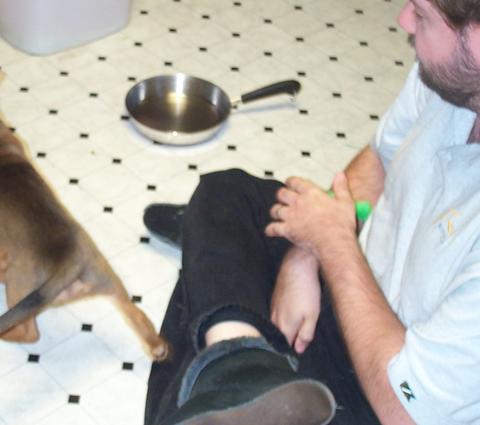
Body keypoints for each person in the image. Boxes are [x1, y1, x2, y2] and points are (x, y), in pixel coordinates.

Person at [142, 0, 480, 424]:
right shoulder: (453, 78)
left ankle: (228, 365)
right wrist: (305, 253)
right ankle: (239, 365)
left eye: (423, 14)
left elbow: (406, 410)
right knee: (228, 196)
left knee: (204, 303)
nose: (404, 20)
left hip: (387, 387)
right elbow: (380, 161)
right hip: (351, 286)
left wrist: (333, 244)